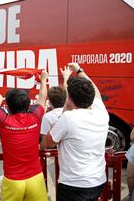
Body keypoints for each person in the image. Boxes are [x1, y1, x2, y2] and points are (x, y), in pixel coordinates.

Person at [0, 64, 48, 201]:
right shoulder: (36, 116)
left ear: (8, 107)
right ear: (28, 104)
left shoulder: (4, 120)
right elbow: (43, 96)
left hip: (13, 181)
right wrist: (43, 80)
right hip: (36, 178)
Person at [46, 63, 109, 201]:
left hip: (73, 186)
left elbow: (48, 143)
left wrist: (64, 109)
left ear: (69, 99)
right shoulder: (101, 112)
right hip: (98, 181)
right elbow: (96, 91)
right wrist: (79, 70)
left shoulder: (68, 118)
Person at [40, 67, 71, 149]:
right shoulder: (71, 111)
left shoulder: (47, 117)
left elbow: (44, 144)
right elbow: (67, 92)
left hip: (58, 153)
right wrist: (66, 78)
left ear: (49, 102)